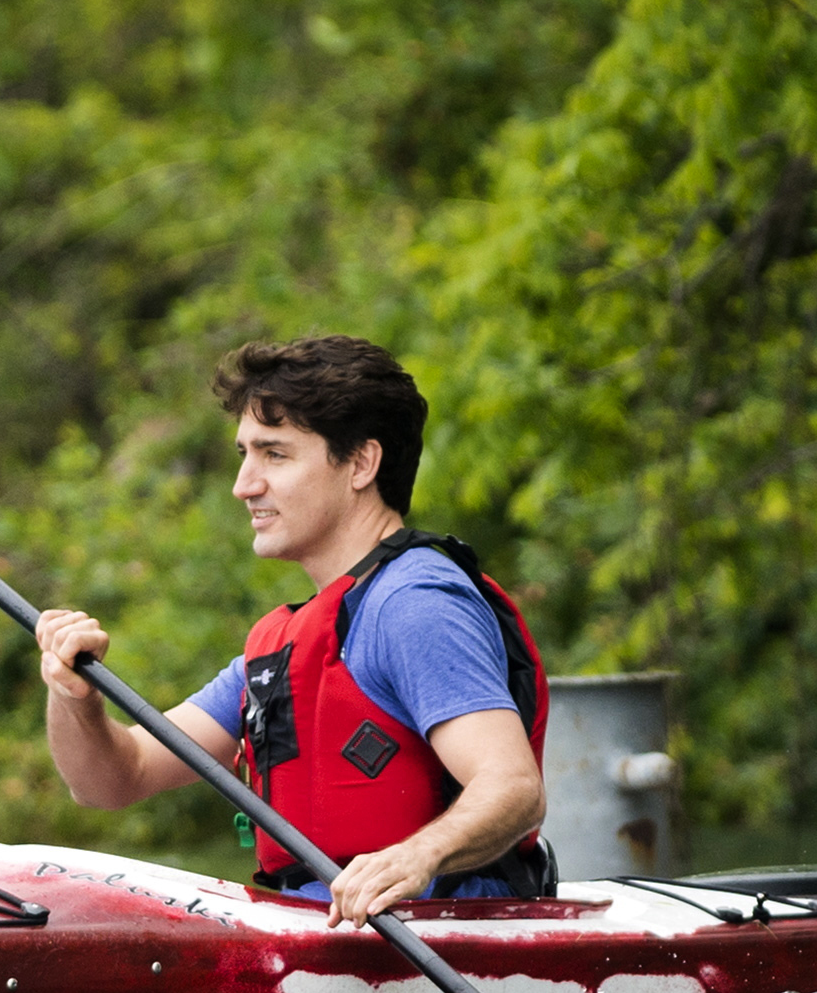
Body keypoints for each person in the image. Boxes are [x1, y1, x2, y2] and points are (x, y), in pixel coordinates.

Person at [33, 335, 552, 922]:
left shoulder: (413, 604)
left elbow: (512, 787)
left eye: (274, 455)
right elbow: (115, 778)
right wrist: (74, 699)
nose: (244, 484)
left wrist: (416, 857)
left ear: (360, 464)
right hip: (323, 929)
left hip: (439, 937)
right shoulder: (291, 641)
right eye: (243, 455)